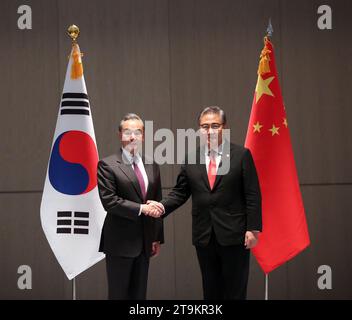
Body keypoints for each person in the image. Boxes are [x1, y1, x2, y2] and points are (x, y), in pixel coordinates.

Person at [147, 106, 262, 300]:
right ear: (199, 130)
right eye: (205, 126)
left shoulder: (241, 155)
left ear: (224, 127)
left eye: (215, 125)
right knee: (211, 291)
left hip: (235, 235)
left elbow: (253, 194)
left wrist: (253, 229)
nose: (210, 131)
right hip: (204, 236)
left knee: (235, 291)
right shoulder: (192, 159)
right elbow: (180, 193)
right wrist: (161, 206)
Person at [97, 113, 164, 300]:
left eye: (137, 132)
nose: (132, 136)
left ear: (143, 135)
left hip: (144, 243)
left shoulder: (152, 164)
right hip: (119, 243)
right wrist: (142, 209)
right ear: (120, 135)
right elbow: (109, 201)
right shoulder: (107, 165)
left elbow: (156, 201)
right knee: (119, 295)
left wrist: (156, 236)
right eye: (127, 132)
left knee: (139, 296)